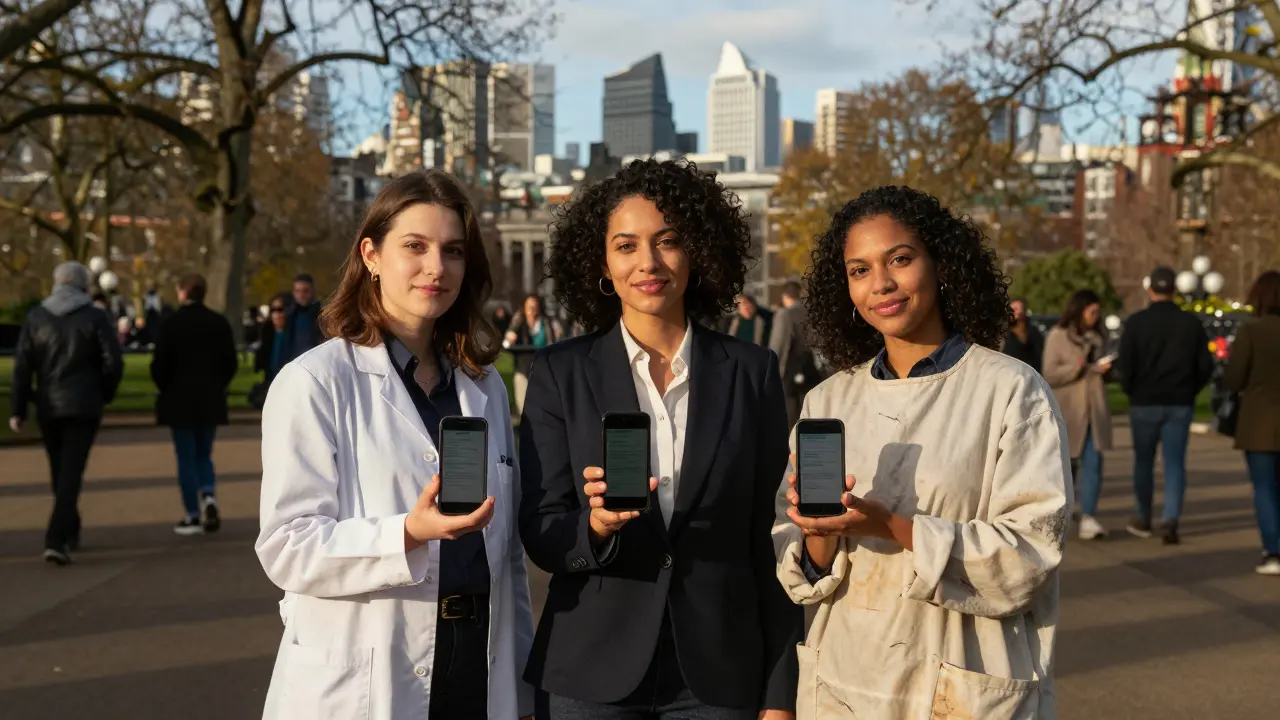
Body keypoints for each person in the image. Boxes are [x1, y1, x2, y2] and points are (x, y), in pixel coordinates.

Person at [519, 159, 801, 719]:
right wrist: (594, 527)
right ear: (601, 261)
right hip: (588, 671)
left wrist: (779, 691)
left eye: (667, 241)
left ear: (697, 251)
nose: (647, 263)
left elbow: (770, 541)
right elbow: (542, 530)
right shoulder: (559, 373)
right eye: (626, 246)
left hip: (721, 674)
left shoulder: (753, 372)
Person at [776, 186, 1069, 719]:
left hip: (962, 682)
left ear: (940, 263)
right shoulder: (828, 398)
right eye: (858, 270)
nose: (880, 284)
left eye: (900, 260)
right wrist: (818, 536)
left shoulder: (1010, 389)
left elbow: (1031, 555)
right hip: (845, 681)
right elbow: (798, 570)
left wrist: (892, 527)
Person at [255, 169, 535, 720]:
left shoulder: (483, 386)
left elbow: (507, 557)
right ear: (372, 255)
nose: (436, 267)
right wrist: (405, 534)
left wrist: (520, 689)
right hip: (367, 674)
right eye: (415, 246)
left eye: (453, 250)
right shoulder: (314, 382)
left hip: (477, 664)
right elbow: (286, 545)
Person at [9, 261, 123, 565]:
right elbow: (113, 361)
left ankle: (67, 528)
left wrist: (18, 408)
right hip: (84, 403)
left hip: (49, 403)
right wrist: (104, 393)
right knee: (70, 472)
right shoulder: (95, 317)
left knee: (60, 470)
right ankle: (58, 536)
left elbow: (23, 366)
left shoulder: (37, 317)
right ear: (83, 284)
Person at [1117, 266, 1214, 545]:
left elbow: (1126, 365)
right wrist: (1190, 389)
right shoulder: (1190, 324)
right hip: (1179, 401)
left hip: (1144, 401)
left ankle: (1143, 516)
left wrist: (1132, 390)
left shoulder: (1136, 323)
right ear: (1174, 289)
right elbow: (1205, 366)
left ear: (1150, 290)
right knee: (1174, 464)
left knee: (1143, 462)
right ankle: (1171, 518)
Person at [150, 273, 239, 535]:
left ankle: (192, 514)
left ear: (183, 292)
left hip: (179, 400)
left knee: (185, 457)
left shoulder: (171, 324)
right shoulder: (218, 323)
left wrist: (166, 388)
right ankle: (209, 495)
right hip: (209, 398)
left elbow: (159, 365)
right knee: (204, 453)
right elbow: (229, 363)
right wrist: (218, 385)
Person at [1044, 289, 1113, 540]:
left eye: (1098, 312)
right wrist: (1077, 368)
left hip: (1094, 409)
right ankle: (1062, 514)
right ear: (1080, 310)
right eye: (1092, 311)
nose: (1096, 317)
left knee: (1094, 463)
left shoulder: (1097, 338)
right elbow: (1049, 373)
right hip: (1069, 410)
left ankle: (1089, 516)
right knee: (1065, 467)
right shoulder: (1058, 336)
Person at [1224, 270, 1280, 575]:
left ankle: (1273, 550)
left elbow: (1234, 378)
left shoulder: (1251, 332)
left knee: (1264, 488)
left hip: (1259, 421)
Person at [768, 280, 819, 429]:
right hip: (811, 368)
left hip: (790, 369)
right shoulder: (811, 313)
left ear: (785, 296)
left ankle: (793, 447)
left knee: (790, 414)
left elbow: (777, 345)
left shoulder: (784, 314)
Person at [503, 294, 565, 416]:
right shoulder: (519, 322)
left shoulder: (547, 323)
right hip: (523, 367)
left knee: (544, 405)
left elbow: (558, 338)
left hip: (543, 368)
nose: (532, 310)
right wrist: (510, 339)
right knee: (523, 406)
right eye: (529, 307)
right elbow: (506, 342)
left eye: (534, 307)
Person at [280, 272, 324, 364]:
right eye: (298, 291)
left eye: (305, 291)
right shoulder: (289, 316)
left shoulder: (322, 316)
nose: (301, 295)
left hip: (315, 364)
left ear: (313, 291)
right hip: (293, 365)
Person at [253, 292, 293, 386]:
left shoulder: (294, 334)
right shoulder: (267, 332)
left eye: (281, 310)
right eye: (273, 310)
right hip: (270, 380)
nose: (277, 314)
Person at [1001, 297, 1044, 372]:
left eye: (1020, 309)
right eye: (1014, 309)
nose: (1018, 312)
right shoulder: (1003, 333)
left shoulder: (1034, 333)